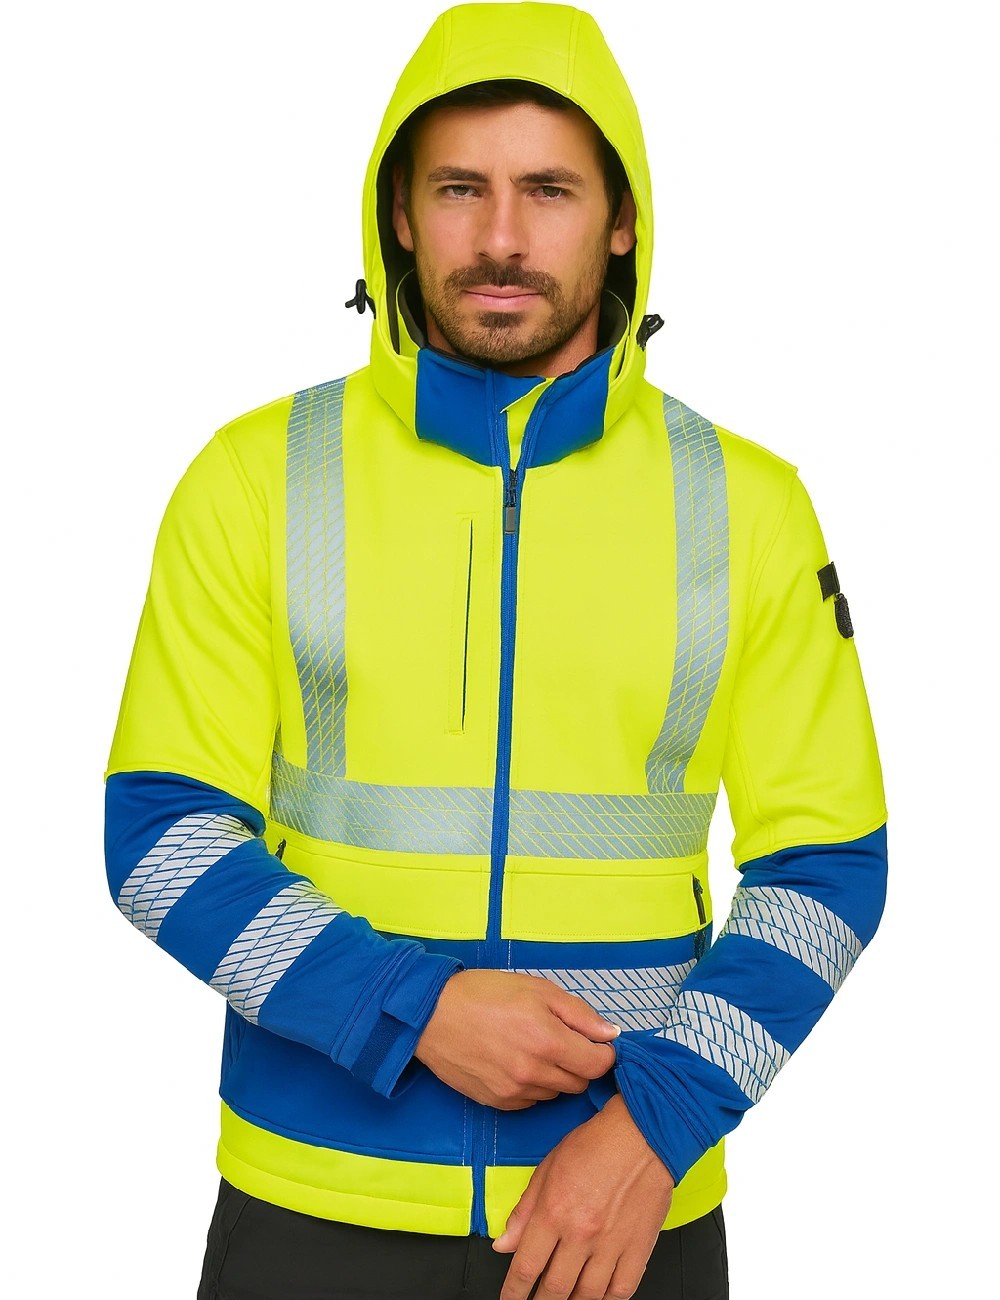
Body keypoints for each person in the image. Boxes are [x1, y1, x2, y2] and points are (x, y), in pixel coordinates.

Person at [103, 3, 889, 1298]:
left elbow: (828, 866)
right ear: (400, 215)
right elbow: (160, 837)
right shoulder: (255, 479)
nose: (504, 238)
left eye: (550, 190)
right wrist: (409, 1005)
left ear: (621, 218)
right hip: (313, 1206)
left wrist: (657, 1127)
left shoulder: (747, 504)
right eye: (460, 188)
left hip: (623, 1209)